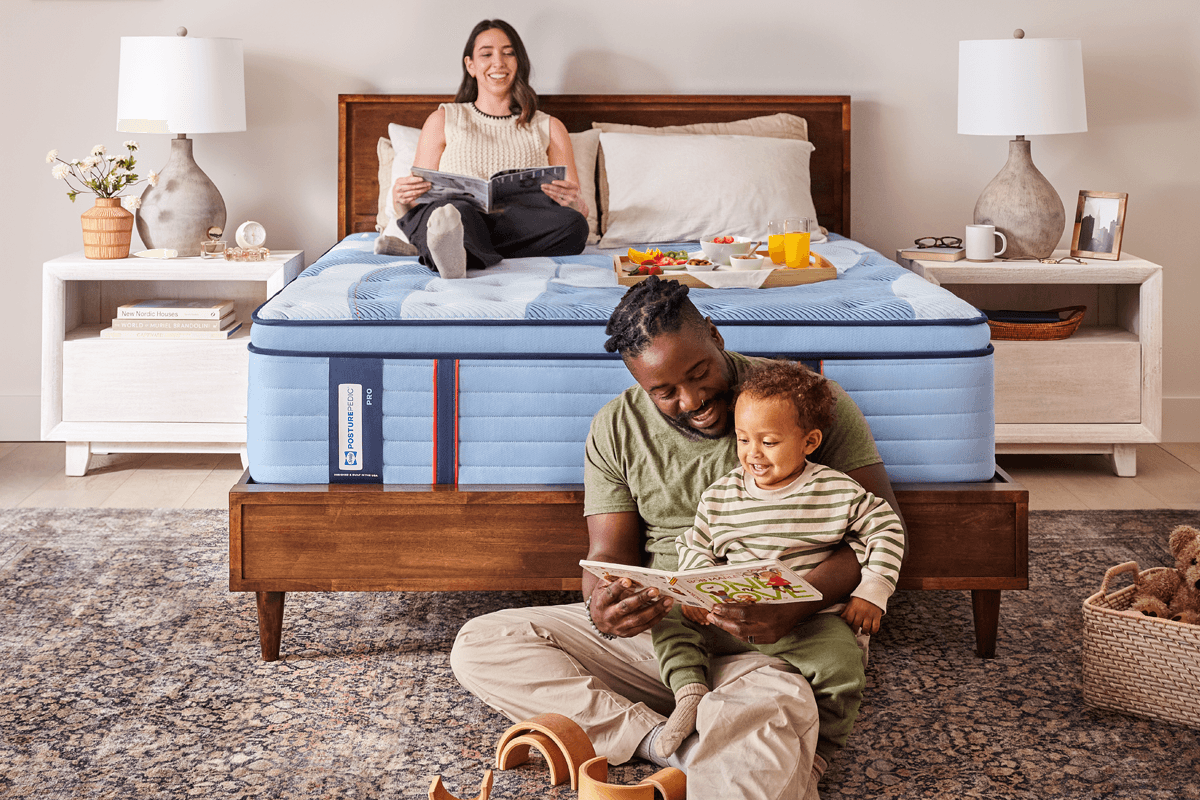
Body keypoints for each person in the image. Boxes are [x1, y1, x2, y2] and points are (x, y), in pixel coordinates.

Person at [450, 277, 905, 799]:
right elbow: (607, 556)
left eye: (698, 373)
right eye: (664, 391)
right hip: (670, 634)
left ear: (715, 336)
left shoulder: (798, 403)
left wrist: (796, 604)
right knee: (483, 644)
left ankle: (734, 728)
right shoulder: (616, 427)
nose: (692, 400)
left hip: (781, 641)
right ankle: (666, 744)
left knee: (765, 722)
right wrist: (604, 607)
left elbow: (882, 526)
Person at [650, 360, 906, 763]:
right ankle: (689, 692)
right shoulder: (722, 495)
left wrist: (873, 590)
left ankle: (823, 750)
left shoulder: (835, 490)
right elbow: (695, 544)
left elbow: (886, 529)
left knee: (844, 665)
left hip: (806, 622)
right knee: (668, 619)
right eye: (742, 439)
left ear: (809, 441)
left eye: (768, 442)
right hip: (730, 613)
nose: (752, 454)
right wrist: (697, 589)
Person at [387, 19, 589, 279]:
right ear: (470, 65)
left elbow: (578, 209)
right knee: (455, 214)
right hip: (460, 216)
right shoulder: (443, 118)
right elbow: (420, 197)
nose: (499, 62)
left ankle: (461, 252)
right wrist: (400, 196)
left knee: (574, 226)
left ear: (519, 62)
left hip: (516, 225)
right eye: (486, 54)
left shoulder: (549, 126)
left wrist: (576, 204)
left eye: (508, 53)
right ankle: (454, 244)